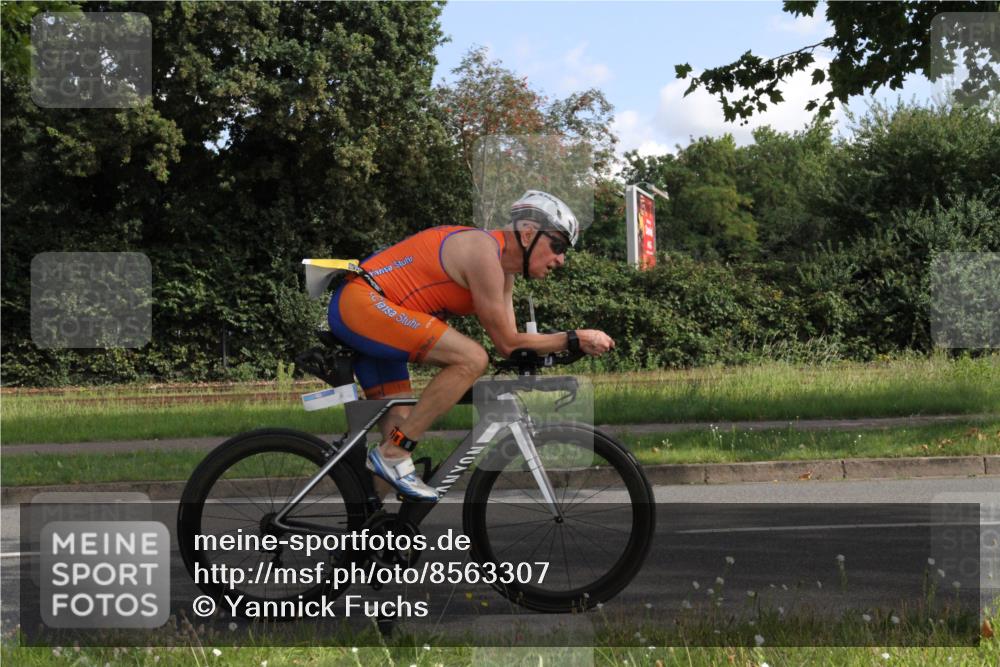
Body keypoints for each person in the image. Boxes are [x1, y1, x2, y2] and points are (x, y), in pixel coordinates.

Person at [327, 190, 615, 501]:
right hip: (361, 305)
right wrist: (575, 337)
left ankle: (370, 533)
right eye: (557, 245)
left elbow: (511, 344)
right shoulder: (483, 253)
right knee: (471, 359)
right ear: (528, 233)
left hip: (382, 319)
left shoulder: (504, 273)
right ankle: (393, 452)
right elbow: (506, 342)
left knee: (400, 424)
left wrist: (563, 346)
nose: (561, 259)